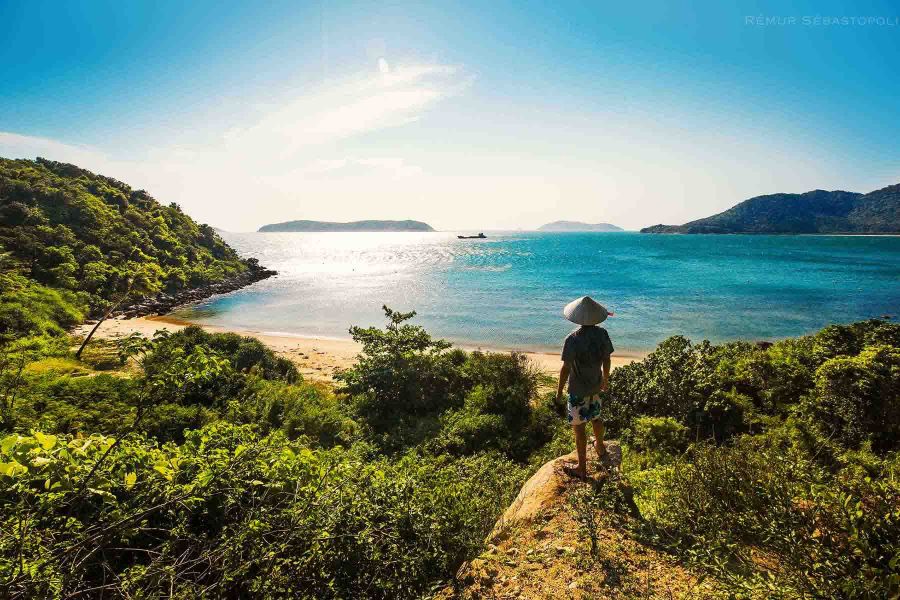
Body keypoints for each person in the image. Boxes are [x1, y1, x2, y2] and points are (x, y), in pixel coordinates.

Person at [556, 296, 615, 479]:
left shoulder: (572, 339)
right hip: (595, 386)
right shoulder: (602, 334)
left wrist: (559, 392)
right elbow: (607, 359)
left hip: (577, 390)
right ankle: (600, 446)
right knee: (596, 418)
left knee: (579, 427)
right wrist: (605, 379)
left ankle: (582, 467)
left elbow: (566, 368)